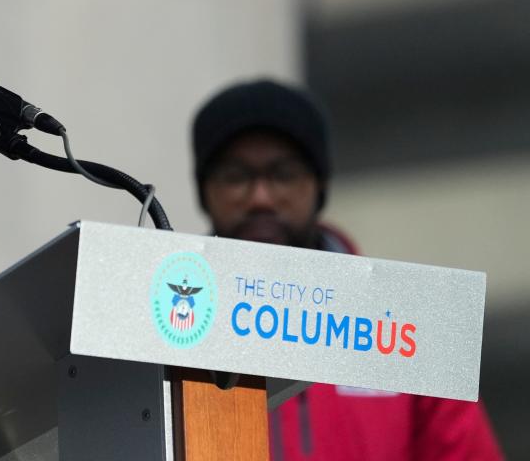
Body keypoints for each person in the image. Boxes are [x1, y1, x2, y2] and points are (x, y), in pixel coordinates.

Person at [190, 79, 503, 461]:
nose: (260, 197)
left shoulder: (410, 327)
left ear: (320, 185)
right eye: (236, 176)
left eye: (283, 173)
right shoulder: (165, 329)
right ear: (204, 191)